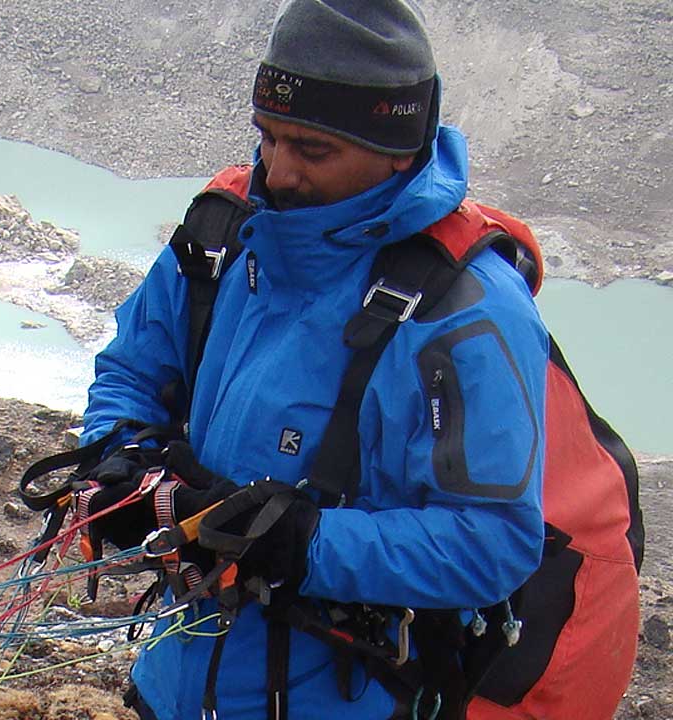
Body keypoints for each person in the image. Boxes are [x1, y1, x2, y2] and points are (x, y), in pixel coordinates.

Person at [78, 1, 549, 718]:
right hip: (175, 677)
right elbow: (132, 370)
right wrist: (118, 453)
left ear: (398, 146)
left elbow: (493, 544)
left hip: (340, 697)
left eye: (313, 149)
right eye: (267, 137)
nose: (279, 170)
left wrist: (305, 543)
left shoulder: (469, 309)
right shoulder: (225, 236)